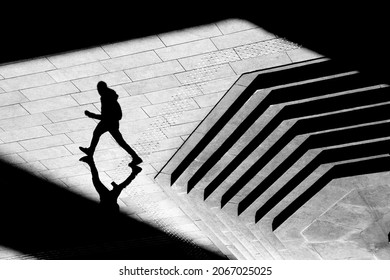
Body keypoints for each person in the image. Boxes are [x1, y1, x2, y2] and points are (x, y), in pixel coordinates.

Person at [79, 81, 142, 165]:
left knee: (118, 141)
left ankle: (136, 157)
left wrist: (92, 115)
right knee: (98, 134)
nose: (98, 91)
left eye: (99, 89)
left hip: (109, 122)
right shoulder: (109, 96)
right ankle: (90, 151)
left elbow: (105, 116)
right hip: (111, 121)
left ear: (102, 89)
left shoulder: (106, 98)